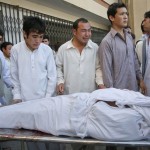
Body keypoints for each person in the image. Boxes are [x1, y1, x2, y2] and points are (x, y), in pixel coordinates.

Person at [0, 88, 150, 142]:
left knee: (27, 114)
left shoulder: (137, 125)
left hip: (71, 119)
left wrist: (97, 103)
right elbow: (104, 98)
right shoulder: (140, 102)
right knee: (27, 109)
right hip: (76, 103)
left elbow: (103, 119)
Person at [98, 2, 146, 94]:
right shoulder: (106, 42)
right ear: (111, 18)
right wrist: (111, 94)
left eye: (126, 14)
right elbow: (106, 71)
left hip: (134, 89)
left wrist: (140, 79)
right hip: (118, 93)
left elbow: (134, 60)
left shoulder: (129, 37)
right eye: (121, 14)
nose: (125, 17)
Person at [10, 16, 57, 104]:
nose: (38, 41)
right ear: (25, 34)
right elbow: (14, 75)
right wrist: (17, 96)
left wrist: (48, 97)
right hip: (24, 100)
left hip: (44, 99)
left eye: (41, 37)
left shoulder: (47, 50)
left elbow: (52, 76)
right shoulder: (16, 50)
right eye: (34, 36)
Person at [56, 18, 104, 95]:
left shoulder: (95, 48)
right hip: (69, 94)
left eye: (89, 30)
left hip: (90, 94)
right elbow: (58, 68)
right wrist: (60, 82)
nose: (87, 34)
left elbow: (98, 67)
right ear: (74, 32)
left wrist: (100, 83)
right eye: (83, 31)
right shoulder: (63, 49)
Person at [136, 11, 150, 97]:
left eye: (145, 20)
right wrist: (141, 81)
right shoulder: (143, 42)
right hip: (145, 87)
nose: (143, 22)